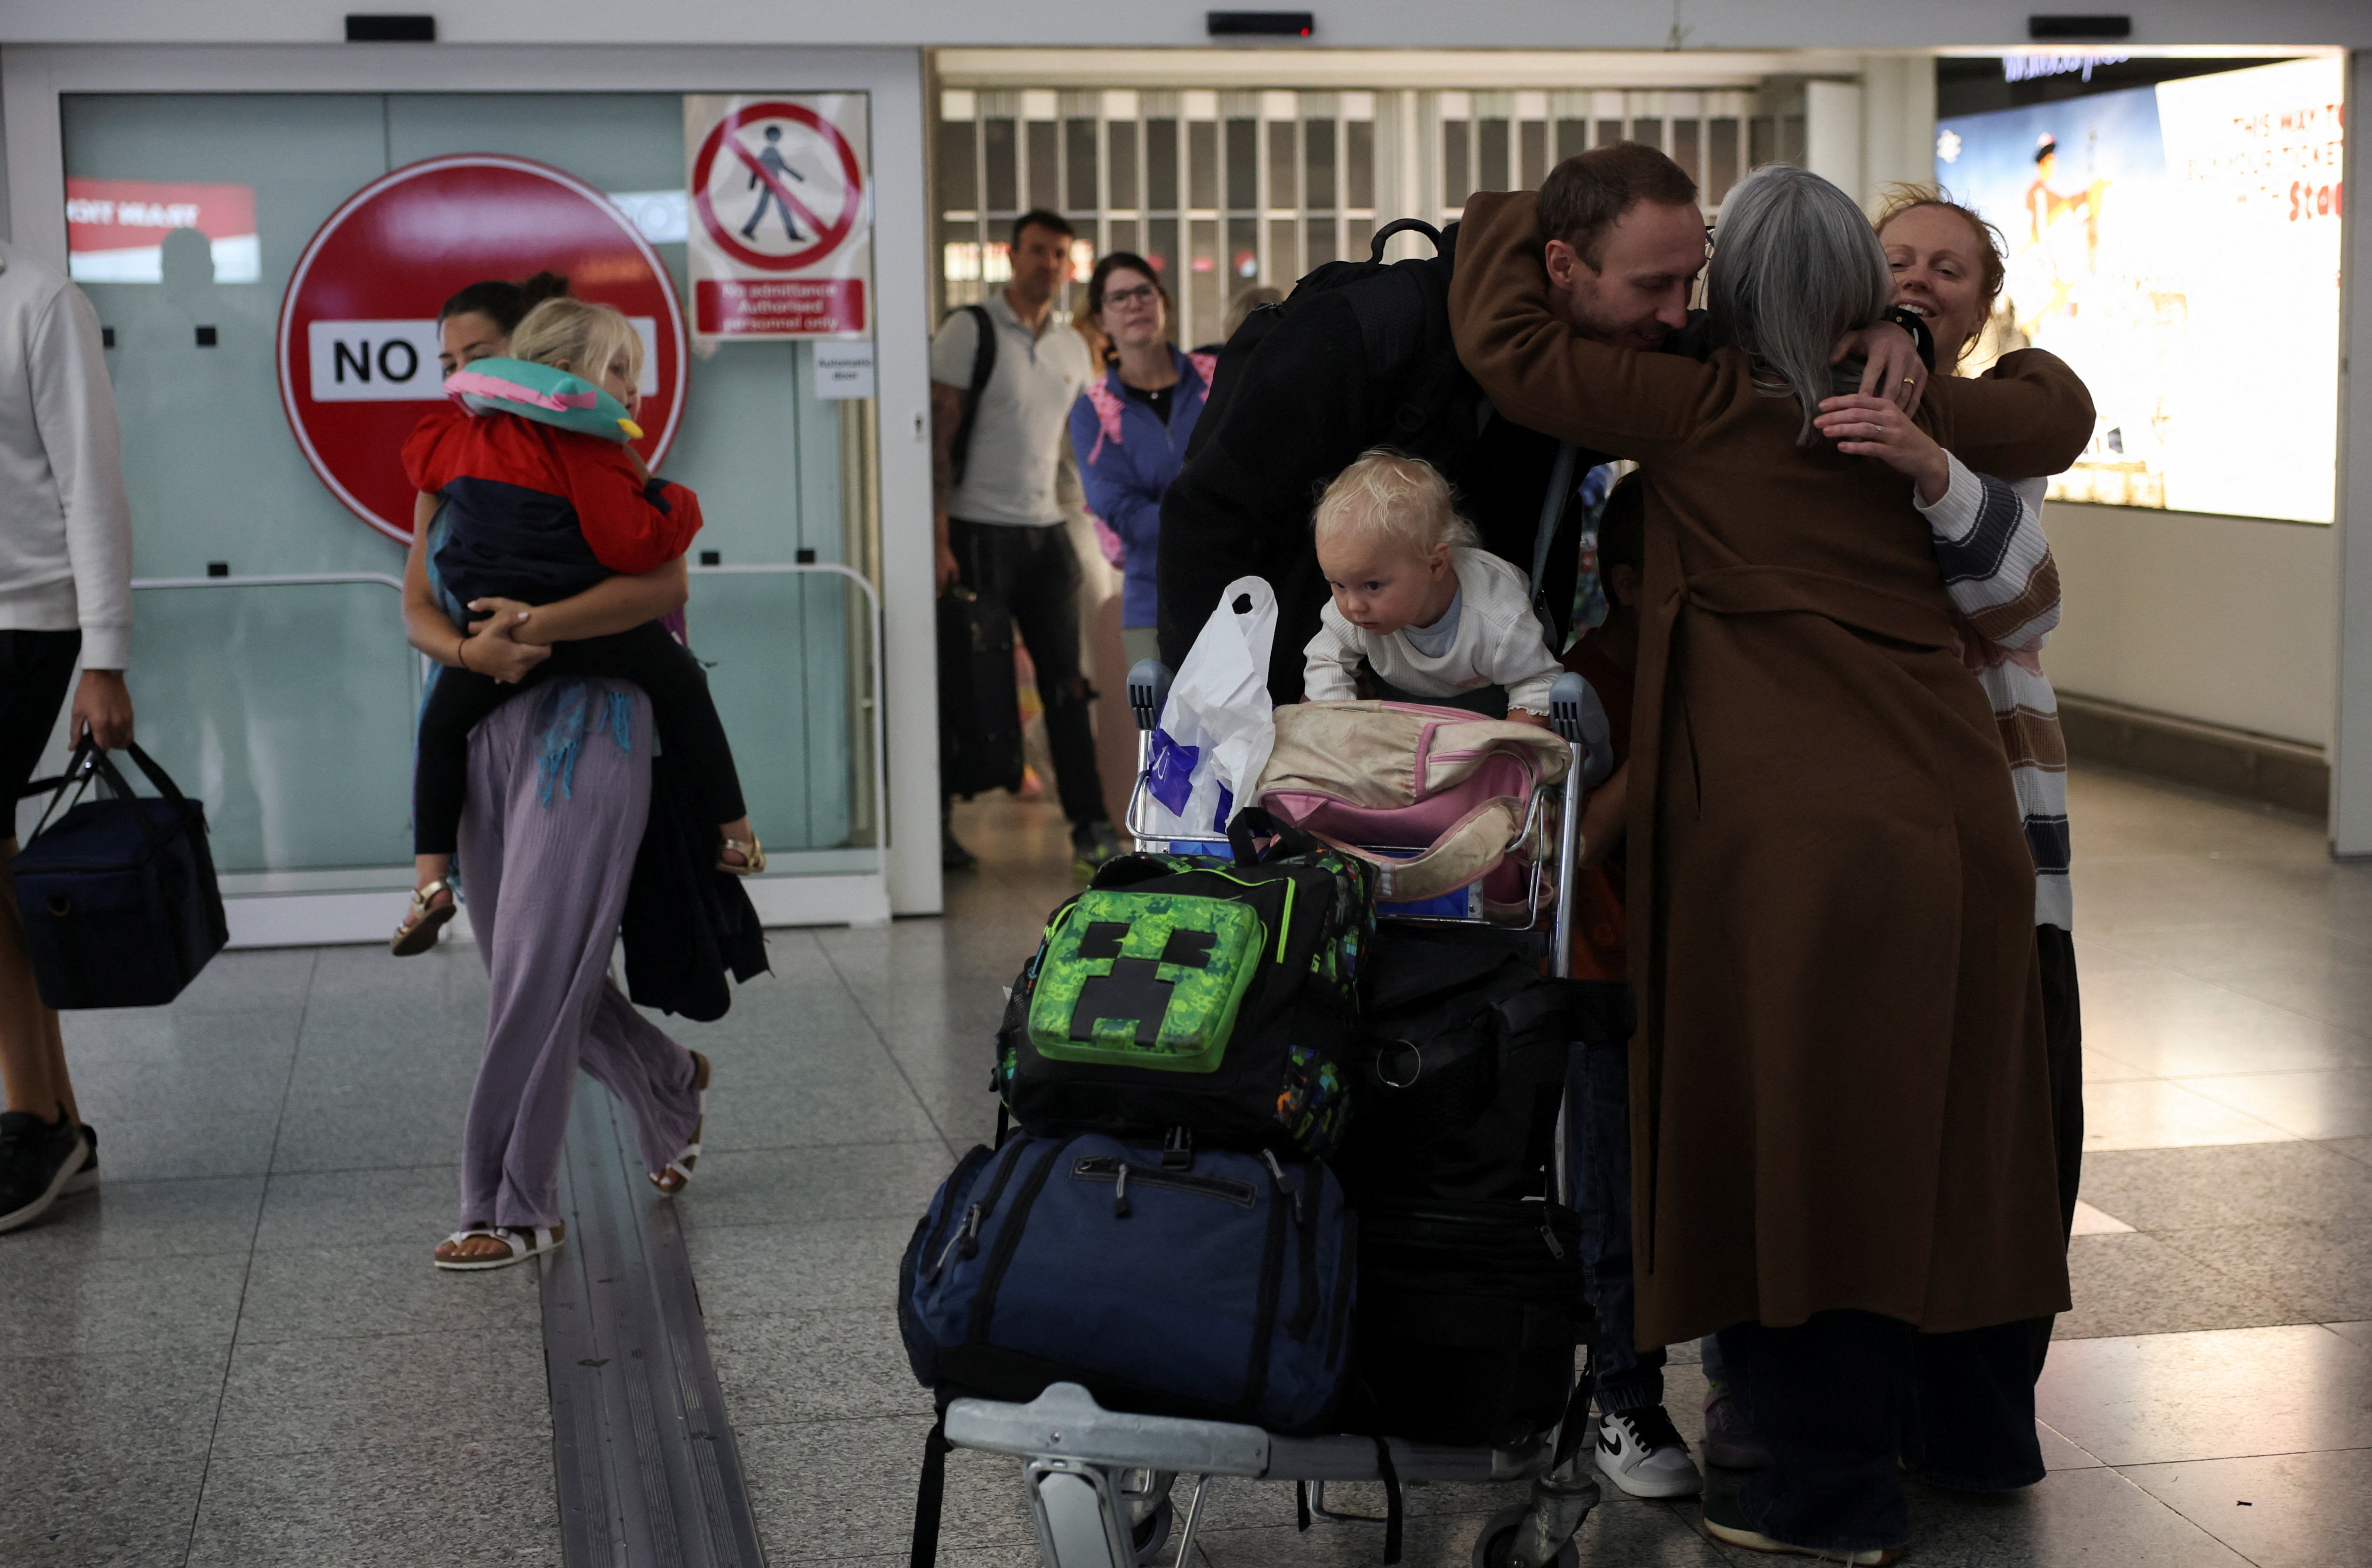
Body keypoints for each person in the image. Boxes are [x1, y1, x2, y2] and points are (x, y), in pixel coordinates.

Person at [1451, 165, 2093, 1562]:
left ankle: (1815, 1492)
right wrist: (1917, 353)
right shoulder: (1911, 406)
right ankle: (1936, 1443)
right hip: (1955, 831)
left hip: (1783, 850)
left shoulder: (1693, 401)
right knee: (1930, 1151)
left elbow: (1506, 346)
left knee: (1794, 1156)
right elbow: (2059, 406)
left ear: (1731, 295)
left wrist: (1506, 209)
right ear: (1860, 297)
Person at [1158, 143, 1927, 706]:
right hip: (1311, 705)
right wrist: (1221, 716)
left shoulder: (1607, 353)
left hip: (1484, 718)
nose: (1674, 312)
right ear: (1562, 266)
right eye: (1652, 285)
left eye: (1688, 281)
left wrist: (1883, 325)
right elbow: (1210, 517)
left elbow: (1742, 357)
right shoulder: (1359, 334)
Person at [1851, 186, 2085, 1356]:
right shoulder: (1816, 413)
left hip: (2005, 817)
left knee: (2018, 1112)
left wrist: (1929, 462)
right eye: (1898, 256)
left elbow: (2022, 597)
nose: (1920, 278)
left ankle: (1982, 1399)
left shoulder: (1996, 430)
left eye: (1949, 268)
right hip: (1866, 833)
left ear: (1983, 308)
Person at [400, 453, 712, 1268]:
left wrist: (529, 628)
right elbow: (417, 611)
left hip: (594, 721)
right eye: (452, 361)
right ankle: (666, 1077)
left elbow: (664, 589)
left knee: (537, 969)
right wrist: (474, 657)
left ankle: (510, 1205)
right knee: (522, 969)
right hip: (481, 726)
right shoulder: (446, 474)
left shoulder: (605, 470)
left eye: (478, 356)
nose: (464, 377)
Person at [391, 296, 759, 956]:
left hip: (486, 637)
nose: (633, 391)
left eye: (478, 356)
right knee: (682, 685)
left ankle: (428, 883)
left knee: (439, 725)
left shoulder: (457, 439)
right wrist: (674, 501)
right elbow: (634, 550)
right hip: (590, 644)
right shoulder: (592, 443)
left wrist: (476, 652)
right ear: (564, 373)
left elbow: (422, 461)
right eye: (621, 371)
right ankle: (735, 833)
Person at [0, 240, 135, 1235]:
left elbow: (91, 481)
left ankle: (32, 1116)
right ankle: (59, 1122)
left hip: (26, 616)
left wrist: (106, 654)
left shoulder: (41, 303)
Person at [931, 209, 1119, 877]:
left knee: (1069, 687)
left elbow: (1077, 450)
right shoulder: (969, 330)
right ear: (1012, 255)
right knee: (965, 684)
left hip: (1047, 536)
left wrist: (1091, 523)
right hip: (976, 533)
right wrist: (938, 533)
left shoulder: (1073, 347)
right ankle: (937, 828)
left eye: (1059, 255)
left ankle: (1091, 826)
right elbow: (940, 440)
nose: (1047, 264)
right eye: (1037, 251)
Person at [1302, 449, 1559, 722]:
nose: (1353, 606)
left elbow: (1538, 685)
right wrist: (1342, 726)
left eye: (1373, 586)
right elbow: (1325, 660)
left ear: (1435, 566)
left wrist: (1509, 752)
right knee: (1309, 707)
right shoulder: (1358, 605)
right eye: (1338, 584)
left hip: (1489, 708)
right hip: (1402, 707)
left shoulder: (1497, 621)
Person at [1068, 252, 1215, 673]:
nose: (1134, 304)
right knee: (1165, 737)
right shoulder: (1092, 410)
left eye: (1143, 292)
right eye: (1118, 298)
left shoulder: (1217, 377)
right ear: (1101, 321)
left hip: (1236, 593)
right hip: (1152, 605)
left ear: (1163, 302)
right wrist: (1213, 515)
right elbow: (1122, 512)